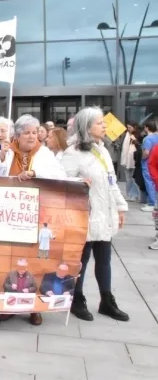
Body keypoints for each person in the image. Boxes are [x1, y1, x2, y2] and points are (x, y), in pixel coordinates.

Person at [61, 107, 129, 322]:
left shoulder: (103, 151)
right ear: (86, 127)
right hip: (84, 216)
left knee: (104, 258)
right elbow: (61, 182)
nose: (104, 126)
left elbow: (112, 183)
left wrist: (121, 207)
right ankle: (76, 299)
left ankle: (106, 301)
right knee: (82, 259)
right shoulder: (72, 153)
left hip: (104, 214)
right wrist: (78, 182)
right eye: (99, 123)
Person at [0, 115, 66, 180]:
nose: (31, 136)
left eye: (34, 133)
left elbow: (60, 175)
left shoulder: (44, 152)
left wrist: (34, 173)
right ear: (17, 136)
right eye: (27, 133)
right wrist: (1, 156)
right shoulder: (7, 151)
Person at [0, 259, 40, 325]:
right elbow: (5, 285)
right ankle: (13, 312)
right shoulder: (11, 274)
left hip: (25, 298)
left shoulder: (30, 275)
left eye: (23, 267)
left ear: (26, 267)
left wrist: (28, 290)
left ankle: (34, 314)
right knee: (1, 317)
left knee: (36, 322)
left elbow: (35, 287)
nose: (21, 269)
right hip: (13, 298)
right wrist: (11, 286)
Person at [120, 122, 140, 202]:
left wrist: (135, 140)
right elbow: (123, 147)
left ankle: (134, 195)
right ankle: (129, 194)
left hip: (133, 160)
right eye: (128, 127)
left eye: (130, 127)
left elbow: (140, 147)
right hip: (126, 160)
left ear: (135, 127)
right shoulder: (126, 135)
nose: (128, 129)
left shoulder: (138, 135)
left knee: (133, 178)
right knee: (128, 179)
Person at [141, 121, 158, 212]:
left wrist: (142, 158)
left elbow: (146, 152)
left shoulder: (147, 139)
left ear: (147, 128)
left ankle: (152, 203)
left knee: (149, 183)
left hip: (148, 163)